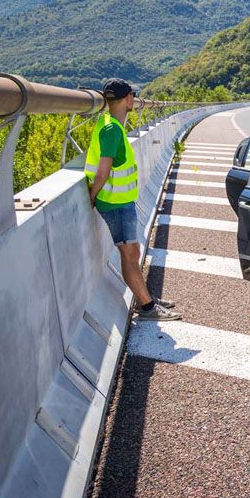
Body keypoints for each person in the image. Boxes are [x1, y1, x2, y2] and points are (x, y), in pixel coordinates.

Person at [85, 78, 182, 321]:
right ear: (127, 98)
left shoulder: (109, 123)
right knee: (128, 254)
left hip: (121, 201)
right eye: (132, 96)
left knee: (134, 251)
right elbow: (103, 169)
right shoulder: (111, 130)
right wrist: (93, 195)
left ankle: (145, 296)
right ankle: (148, 308)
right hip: (115, 204)